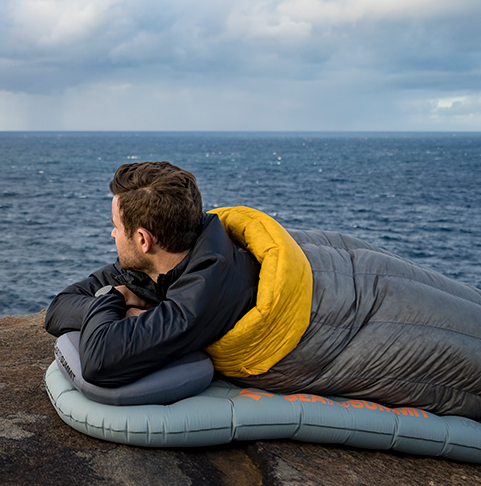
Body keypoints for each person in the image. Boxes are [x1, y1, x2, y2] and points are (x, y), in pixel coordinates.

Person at [45, 161, 481, 420]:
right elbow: (58, 309)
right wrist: (125, 299)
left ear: (143, 240)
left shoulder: (200, 297)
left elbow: (101, 360)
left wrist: (112, 299)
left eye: (115, 227)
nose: (110, 234)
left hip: (340, 318)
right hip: (335, 280)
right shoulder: (175, 249)